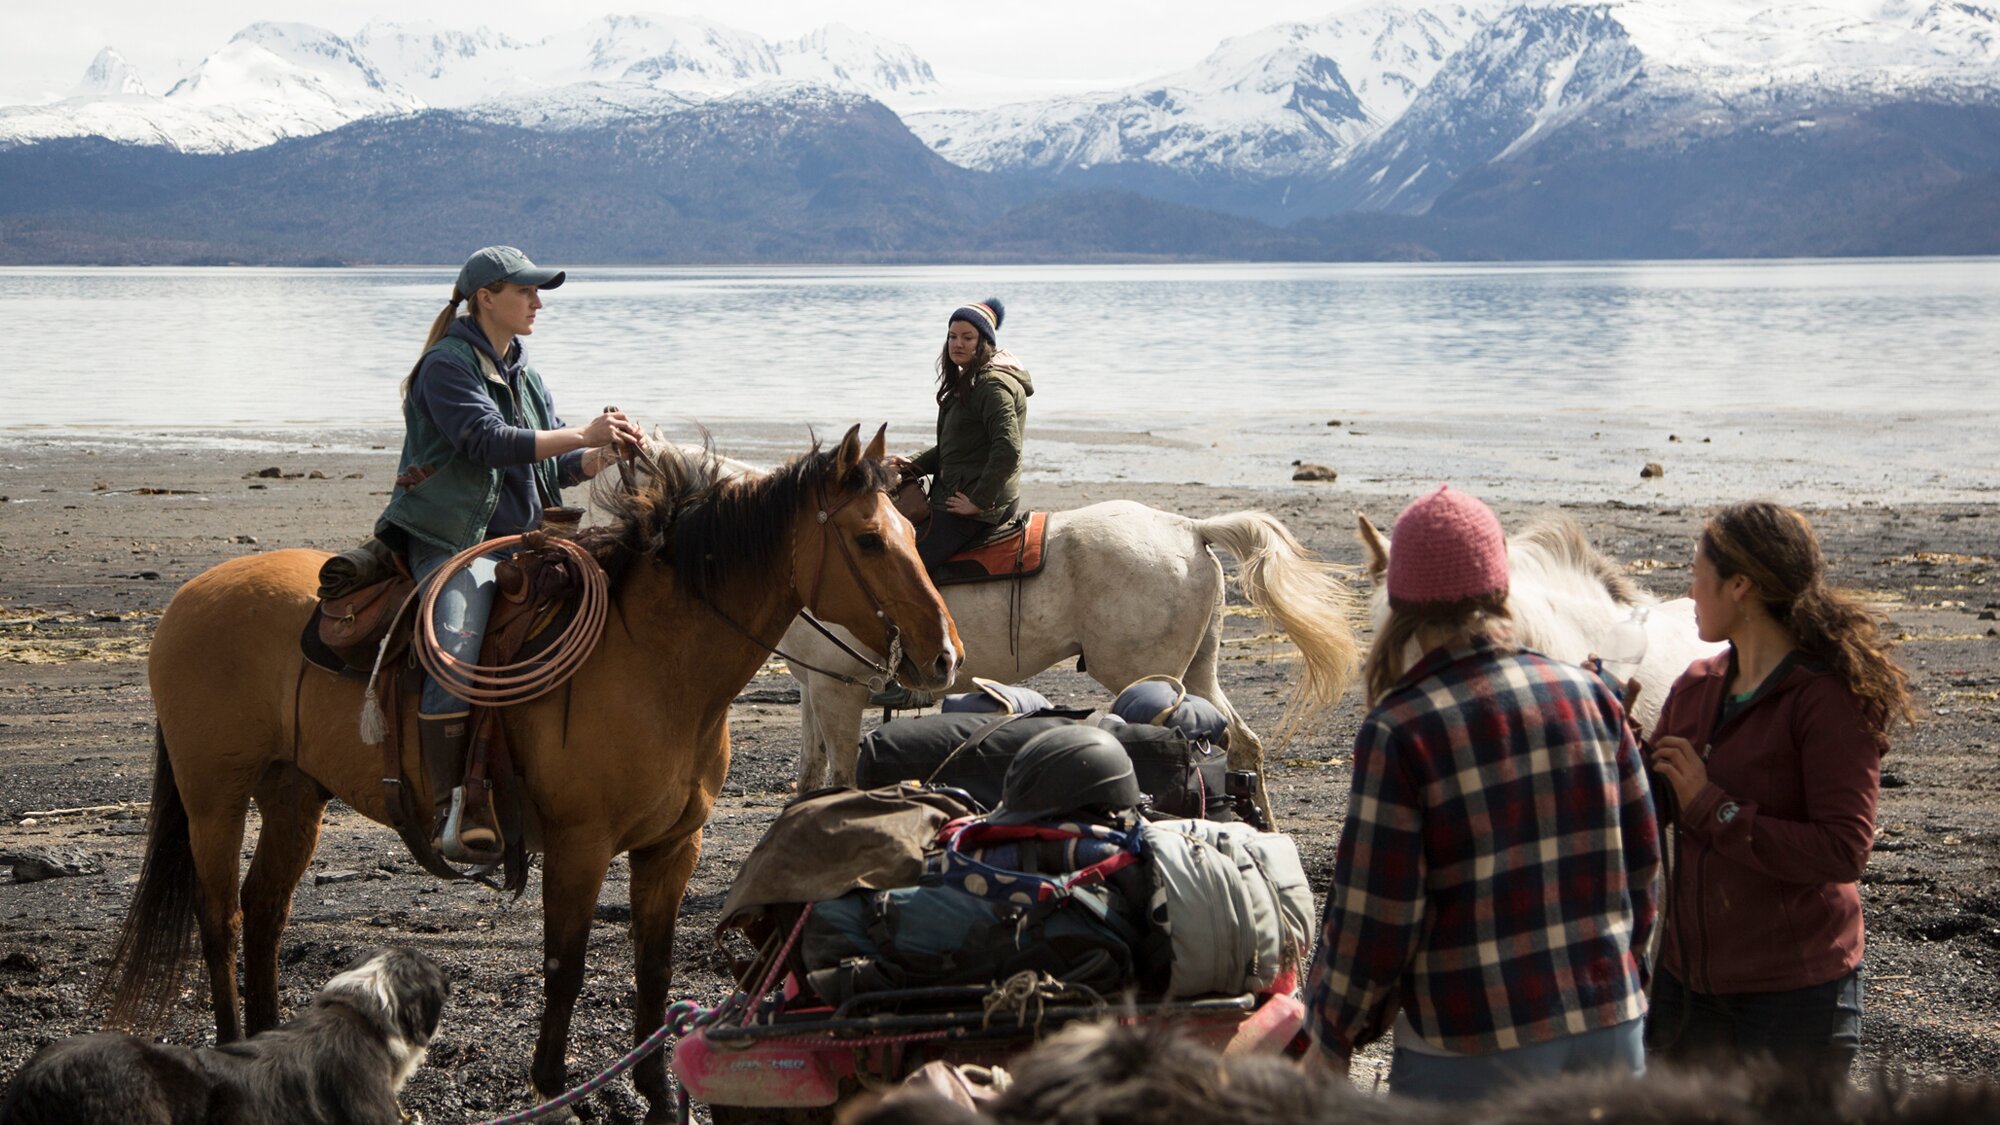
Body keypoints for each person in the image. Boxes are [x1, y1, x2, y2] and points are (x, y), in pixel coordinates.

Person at [1303, 485, 1660, 1101]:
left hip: (1475, 1041)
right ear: (1500, 590)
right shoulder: (1590, 696)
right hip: (1610, 1024)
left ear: (1404, 604)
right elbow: (1642, 865)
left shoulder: (1401, 727)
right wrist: (1624, 976)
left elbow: (1377, 913)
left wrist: (1331, 1030)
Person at [372, 246, 643, 862]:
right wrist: (584, 432)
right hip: (452, 541)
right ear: (485, 298)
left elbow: (547, 464)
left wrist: (600, 455)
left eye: (538, 292)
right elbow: (486, 443)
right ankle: (450, 804)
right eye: (525, 291)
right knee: (456, 649)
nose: (537, 302)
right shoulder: (446, 366)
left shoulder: (524, 371)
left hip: (518, 541)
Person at [1645, 501, 1914, 1080]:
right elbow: (1649, 808)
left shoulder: (1827, 698)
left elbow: (1843, 851)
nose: (1689, 591)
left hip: (1795, 998)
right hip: (1684, 986)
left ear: (1740, 585)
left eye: (1696, 573)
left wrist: (1711, 807)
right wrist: (1605, 735)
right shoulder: (1695, 686)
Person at [876, 297, 1033, 709]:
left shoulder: (993, 386)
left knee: (911, 566)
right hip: (958, 489)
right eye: (952, 336)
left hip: (979, 503)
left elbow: (1007, 450)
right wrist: (917, 463)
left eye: (967, 337)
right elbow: (956, 449)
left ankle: (917, 679)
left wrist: (979, 502)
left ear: (985, 343)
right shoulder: (969, 380)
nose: (957, 344)